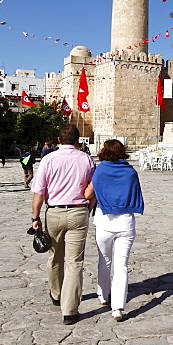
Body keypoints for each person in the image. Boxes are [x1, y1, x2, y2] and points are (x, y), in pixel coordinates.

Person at [30, 125, 95, 325]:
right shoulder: (86, 159)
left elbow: (39, 192)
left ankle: (56, 294)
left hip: (55, 212)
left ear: (59, 140)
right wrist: (88, 208)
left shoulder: (48, 159)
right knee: (74, 262)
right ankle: (70, 311)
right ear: (78, 141)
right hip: (78, 212)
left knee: (54, 256)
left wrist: (35, 218)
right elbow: (94, 186)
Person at [84, 139, 143, 322]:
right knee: (122, 265)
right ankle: (118, 307)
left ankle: (103, 295)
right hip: (125, 222)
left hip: (104, 222)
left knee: (105, 261)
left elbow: (88, 194)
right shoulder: (130, 172)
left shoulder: (101, 170)